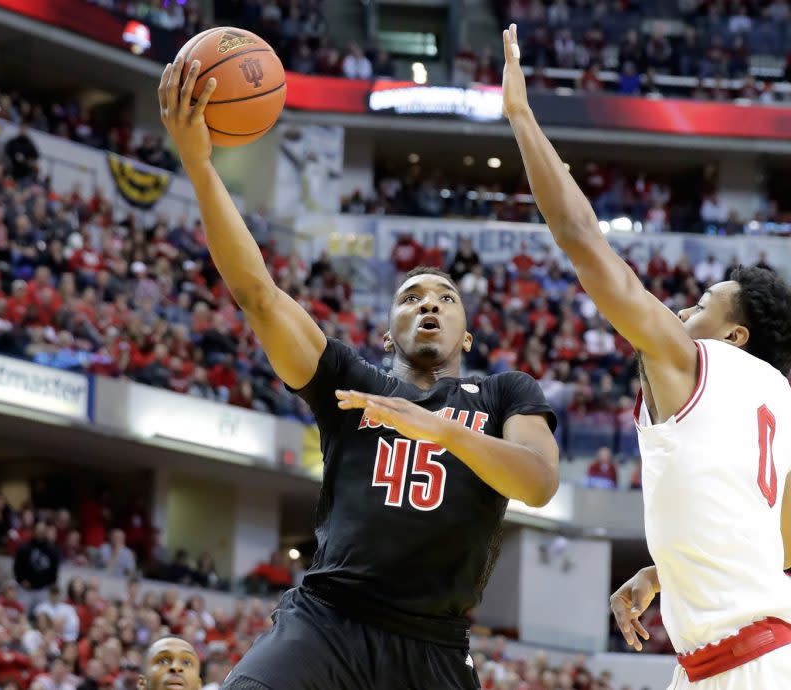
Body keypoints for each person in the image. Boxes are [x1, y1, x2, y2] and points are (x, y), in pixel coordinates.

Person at [158, 55, 560, 690]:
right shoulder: (353, 381)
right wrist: (201, 166)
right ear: (385, 333)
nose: (428, 303)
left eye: (445, 297)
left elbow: (538, 483)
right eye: (411, 297)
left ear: (469, 333)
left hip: (434, 643)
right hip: (327, 622)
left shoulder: (506, 391)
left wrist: (445, 432)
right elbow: (259, 294)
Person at [502, 23, 791, 690]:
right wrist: (664, 571)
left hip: (750, 669)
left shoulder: (692, 363)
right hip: (742, 662)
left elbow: (580, 238)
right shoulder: (781, 402)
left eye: (705, 301)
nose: (684, 310)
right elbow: (783, 547)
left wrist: (521, 116)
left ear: (733, 335)